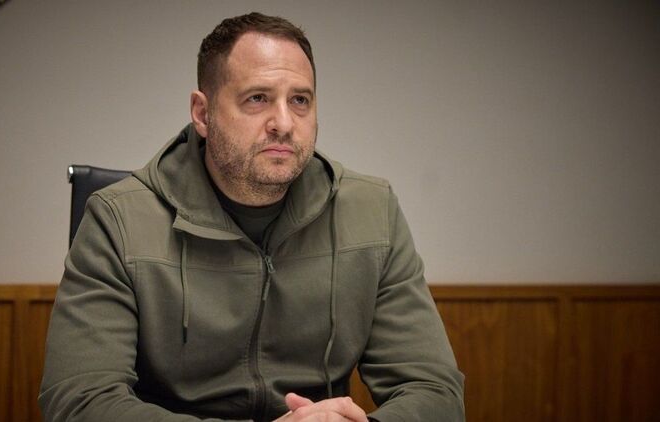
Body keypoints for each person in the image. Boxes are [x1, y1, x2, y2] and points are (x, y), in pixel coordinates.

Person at [39, 12, 464, 422]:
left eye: (300, 100)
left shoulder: (371, 211)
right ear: (202, 113)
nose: (284, 123)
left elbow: (435, 391)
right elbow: (80, 401)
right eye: (257, 98)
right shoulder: (118, 220)